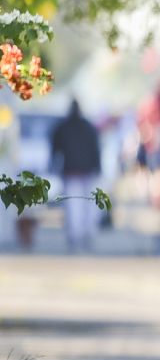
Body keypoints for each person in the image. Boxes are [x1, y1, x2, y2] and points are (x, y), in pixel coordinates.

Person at [49, 98, 102, 251]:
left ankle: (75, 235)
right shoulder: (88, 127)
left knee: (74, 206)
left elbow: (55, 150)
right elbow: (96, 149)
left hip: (71, 171)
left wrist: (53, 166)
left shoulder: (63, 127)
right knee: (86, 206)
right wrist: (98, 167)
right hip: (86, 171)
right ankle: (84, 234)